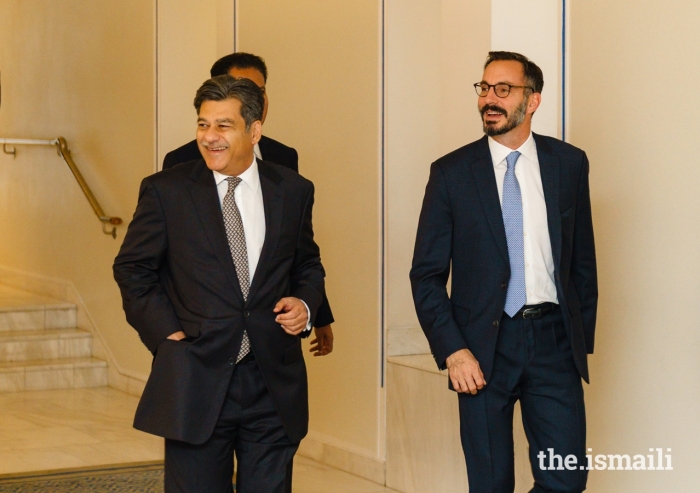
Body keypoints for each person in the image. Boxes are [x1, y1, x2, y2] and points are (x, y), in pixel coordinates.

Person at [114, 75, 325, 492]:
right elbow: (132, 269)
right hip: (195, 376)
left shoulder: (293, 190)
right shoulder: (166, 191)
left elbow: (308, 264)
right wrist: (166, 334)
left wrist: (305, 305)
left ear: (254, 129)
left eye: (223, 125)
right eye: (202, 124)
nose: (210, 137)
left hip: (271, 384)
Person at [410, 51, 597, 493]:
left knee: (566, 480)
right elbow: (426, 275)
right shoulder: (451, 173)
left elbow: (582, 263)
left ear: (532, 101)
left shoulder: (568, 164)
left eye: (504, 90)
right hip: (480, 348)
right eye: (484, 88)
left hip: (553, 343)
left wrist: (578, 340)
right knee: (490, 484)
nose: (489, 100)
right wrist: (454, 351)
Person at [163, 52, 334, 357]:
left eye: (260, 90)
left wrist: (313, 311)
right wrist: (170, 335)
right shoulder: (181, 165)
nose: (253, 96)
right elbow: (162, 261)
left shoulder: (285, 160)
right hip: (202, 345)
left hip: (272, 346)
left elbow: (294, 249)